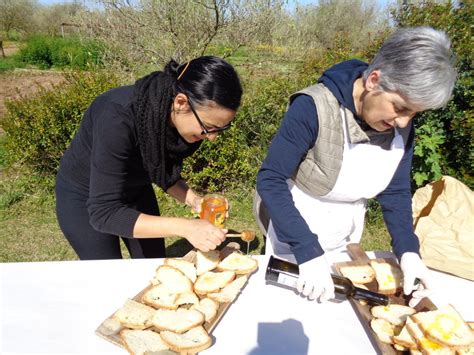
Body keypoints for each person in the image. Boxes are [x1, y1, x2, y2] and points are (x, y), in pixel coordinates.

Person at [254, 27, 456, 307]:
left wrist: (409, 252)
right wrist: (307, 251)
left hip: (346, 236)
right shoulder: (313, 107)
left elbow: (395, 193)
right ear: (374, 80)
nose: (403, 122)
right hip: (295, 236)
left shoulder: (401, 127)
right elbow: (271, 180)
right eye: (399, 107)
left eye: (413, 114)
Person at [55, 56, 243, 260]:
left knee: (153, 264)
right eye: (209, 127)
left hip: (136, 189)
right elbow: (105, 213)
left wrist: (195, 201)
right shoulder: (117, 118)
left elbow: (161, 171)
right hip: (86, 196)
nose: (212, 137)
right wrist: (186, 227)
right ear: (181, 102)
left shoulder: (179, 117)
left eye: (220, 129)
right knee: (107, 275)